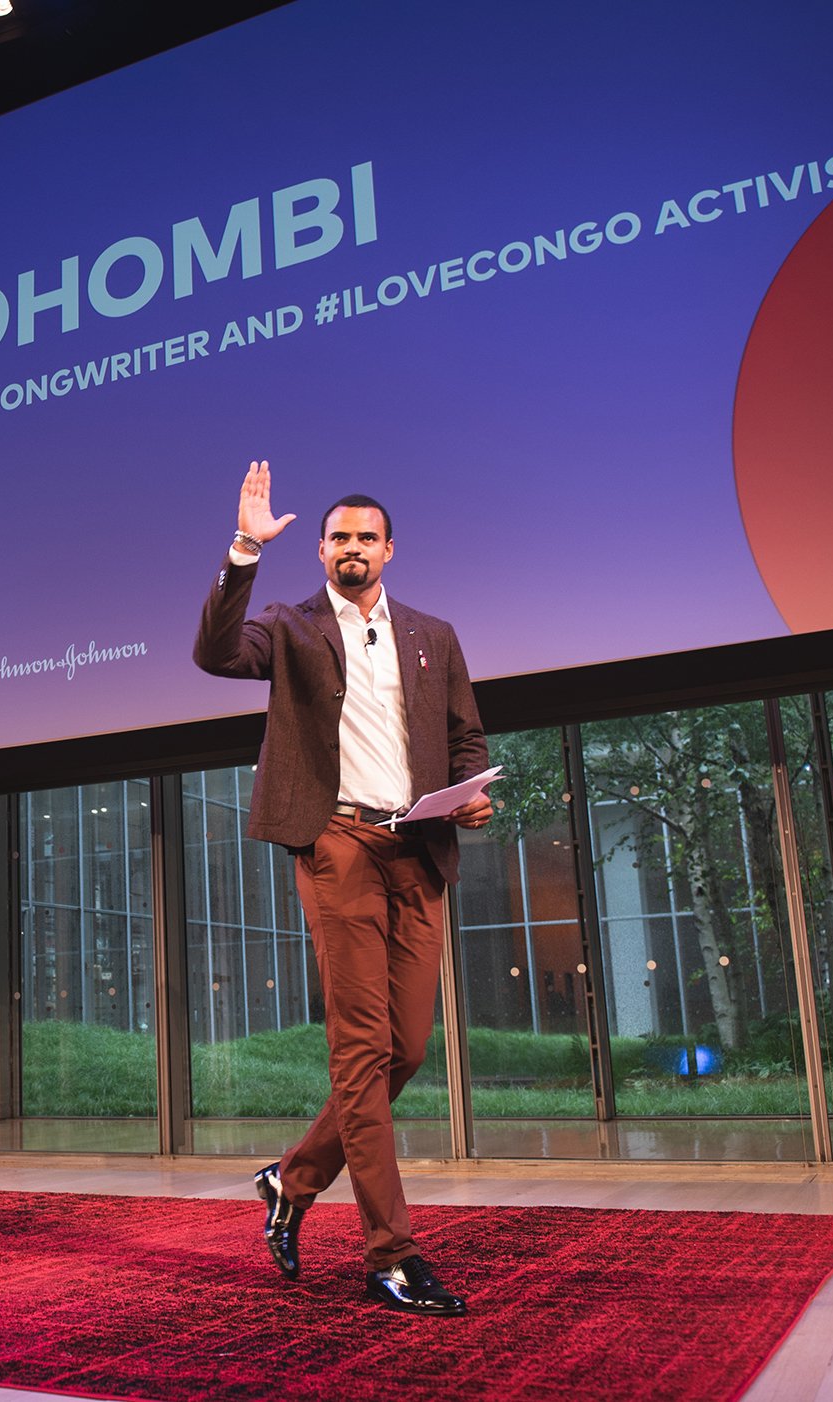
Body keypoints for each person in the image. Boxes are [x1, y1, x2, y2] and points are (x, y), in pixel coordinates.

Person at [194, 459, 491, 1318]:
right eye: (337, 539)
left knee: (407, 1051)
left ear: (389, 550)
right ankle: (390, 1256)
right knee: (362, 1051)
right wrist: (245, 547)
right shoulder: (288, 626)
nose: (351, 549)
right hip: (336, 843)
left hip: (418, 844)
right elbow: (215, 651)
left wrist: (470, 794)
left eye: (366, 537)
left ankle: (292, 1180)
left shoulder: (433, 635)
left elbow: (465, 739)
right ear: (320, 552)